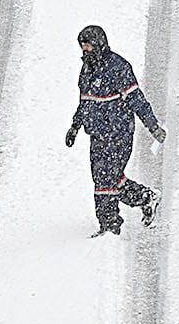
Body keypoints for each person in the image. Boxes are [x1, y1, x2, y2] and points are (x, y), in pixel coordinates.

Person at [65, 24, 164, 233]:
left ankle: (110, 226)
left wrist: (152, 126)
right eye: (82, 47)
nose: (85, 51)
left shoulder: (118, 67)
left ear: (99, 44)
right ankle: (146, 197)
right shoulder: (87, 71)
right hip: (97, 135)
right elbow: (85, 102)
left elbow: (137, 99)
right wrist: (75, 126)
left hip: (119, 133)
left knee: (106, 180)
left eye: (88, 46)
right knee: (106, 179)